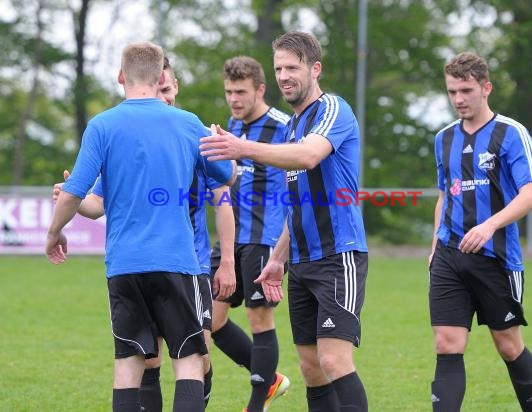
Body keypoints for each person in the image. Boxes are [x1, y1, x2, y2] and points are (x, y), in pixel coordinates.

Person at [46, 41, 236, 412]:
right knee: (189, 362)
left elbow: (75, 194)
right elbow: (226, 174)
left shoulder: (102, 126)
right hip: (176, 263)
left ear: (121, 76)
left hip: (124, 266)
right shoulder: (187, 124)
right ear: (161, 76)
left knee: (128, 367)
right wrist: (219, 143)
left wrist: (55, 232)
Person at [200, 31, 369, 412]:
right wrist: (277, 259)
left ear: (315, 68)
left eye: (292, 67)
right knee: (311, 368)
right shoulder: (293, 124)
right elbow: (298, 205)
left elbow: (309, 156)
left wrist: (242, 148)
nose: (284, 75)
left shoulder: (333, 110)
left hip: (337, 255)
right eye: (279, 68)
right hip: (301, 260)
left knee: (333, 360)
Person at [428, 51, 532, 412]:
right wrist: (434, 247)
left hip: (496, 258)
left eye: (466, 90)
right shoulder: (443, 139)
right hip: (449, 257)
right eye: (452, 92)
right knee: (447, 344)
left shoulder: (512, 134)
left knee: (508, 345)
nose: (459, 99)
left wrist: (489, 224)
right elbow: (444, 195)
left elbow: (530, 196)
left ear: (486, 88)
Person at [208, 55, 291, 412]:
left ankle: (256, 404)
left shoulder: (284, 126)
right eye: (229, 92)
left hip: (264, 236)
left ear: (260, 89)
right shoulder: (232, 125)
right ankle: (270, 379)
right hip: (231, 237)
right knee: (211, 321)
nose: (234, 99)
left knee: (260, 318)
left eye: (241, 92)